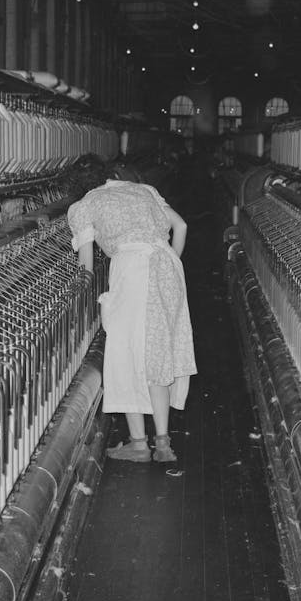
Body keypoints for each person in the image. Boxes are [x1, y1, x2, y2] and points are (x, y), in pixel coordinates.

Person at [67, 179, 197, 463]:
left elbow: (86, 267)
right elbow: (182, 226)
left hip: (133, 269)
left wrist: (75, 297)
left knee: (126, 353)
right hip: (168, 266)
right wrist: (166, 265)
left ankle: (139, 445)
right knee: (157, 350)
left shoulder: (84, 205)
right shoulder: (147, 190)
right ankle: (163, 444)